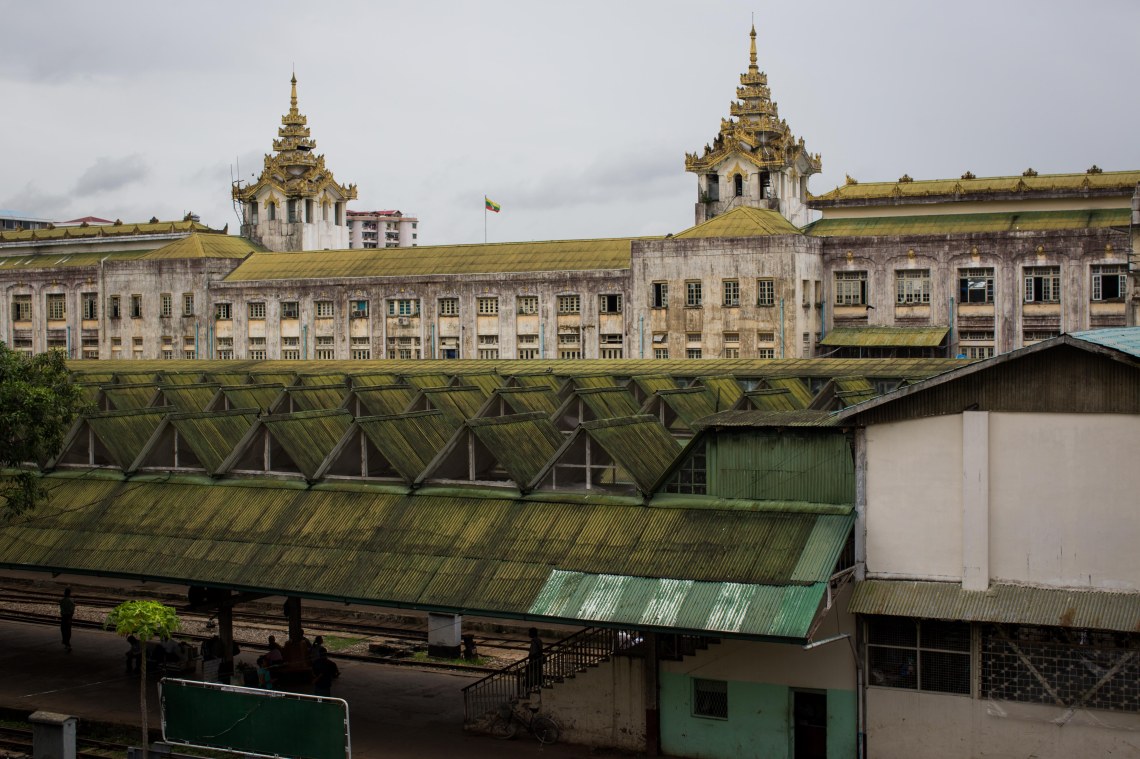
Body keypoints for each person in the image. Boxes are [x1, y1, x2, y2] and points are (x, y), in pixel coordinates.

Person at [59, 588, 75, 653]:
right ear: (69, 594)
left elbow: (61, 608)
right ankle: (67, 643)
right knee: (68, 630)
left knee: (63, 629)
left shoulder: (62, 600)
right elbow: (72, 610)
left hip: (63, 616)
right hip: (69, 617)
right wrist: (71, 616)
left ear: (64, 593)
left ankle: (66, 642)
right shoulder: (71, 601)